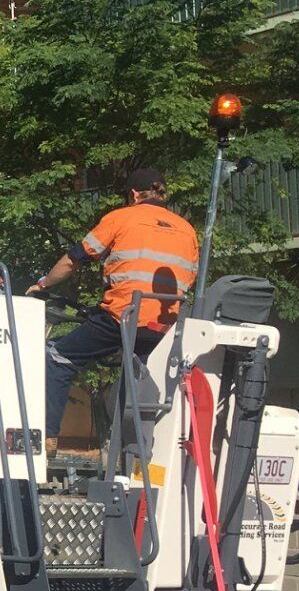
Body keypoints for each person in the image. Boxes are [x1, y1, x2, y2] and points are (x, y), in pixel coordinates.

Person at [27, 166, 199, 446]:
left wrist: (43, 284)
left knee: (57, 357)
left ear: (133, 194)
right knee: (139, 380)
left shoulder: (121, 218)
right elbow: (189, 278)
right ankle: (135, 450)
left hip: (123, 318)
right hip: (165, 328)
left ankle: (46, 440)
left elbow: (73, 260)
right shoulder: (187, 229)